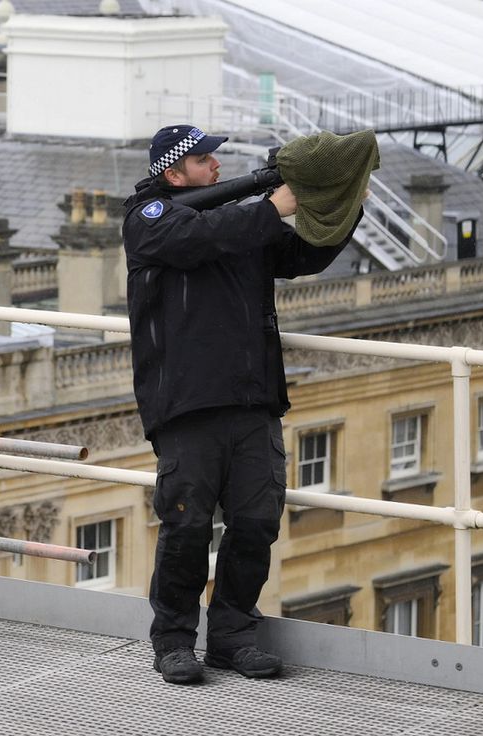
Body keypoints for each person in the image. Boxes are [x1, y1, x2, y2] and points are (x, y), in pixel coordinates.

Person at [123, 124, 361, 684]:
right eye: (205, 160)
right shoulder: (148, 218)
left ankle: (232, 637)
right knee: (186, 528)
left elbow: (304, 255)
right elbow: (194, 240)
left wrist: (343, 206)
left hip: (253, 403)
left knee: (255, 524)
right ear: (174, 173)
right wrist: (271, 205)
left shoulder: (236, 223)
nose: (217, 168)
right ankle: (174, 641)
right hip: (187, 406)